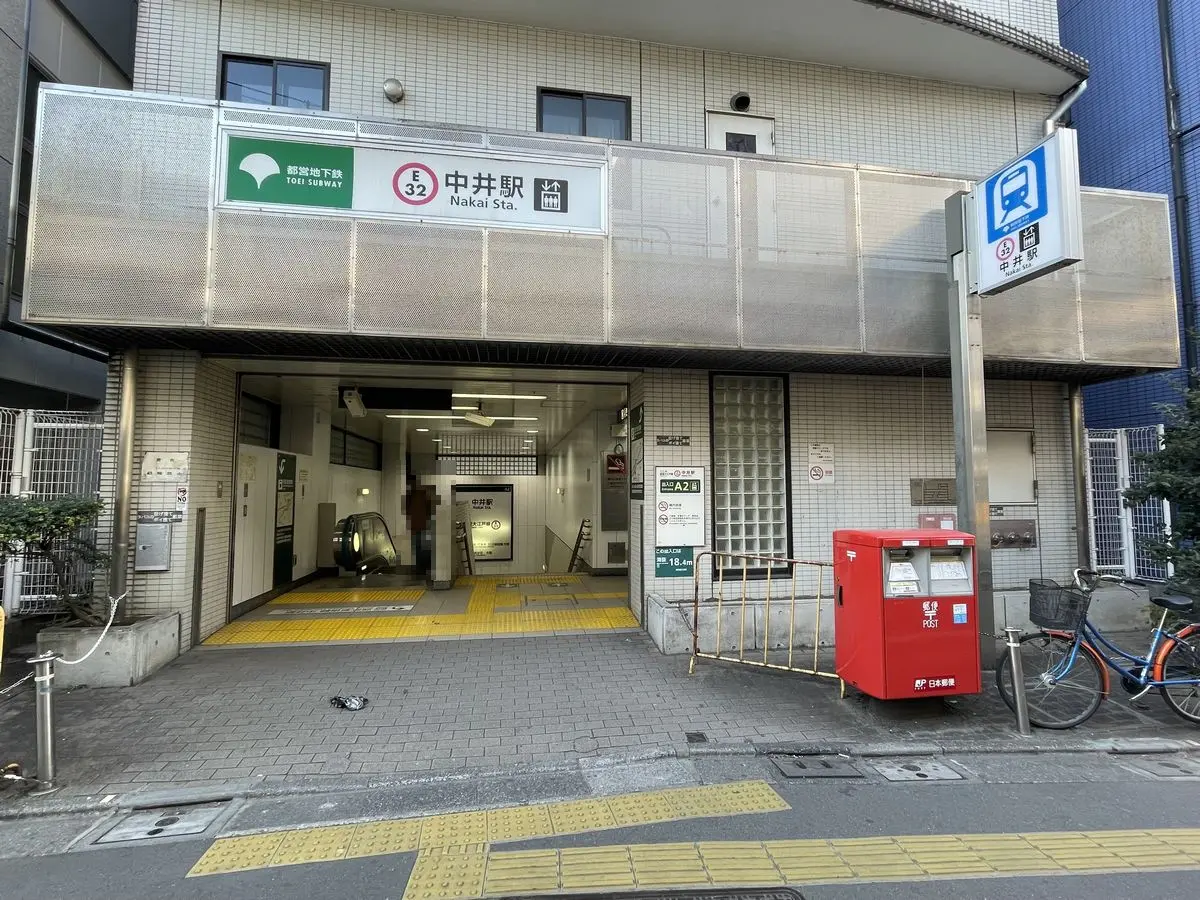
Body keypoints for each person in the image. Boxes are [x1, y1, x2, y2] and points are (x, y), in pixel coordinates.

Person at [404, 474, 432, 581]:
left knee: (422, 549)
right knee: (419, 549)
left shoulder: (421, 494)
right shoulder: (412, 495)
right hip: (417, 527)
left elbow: (429, 509)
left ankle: (423, 569)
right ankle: (421, 570)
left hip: (422, 526)